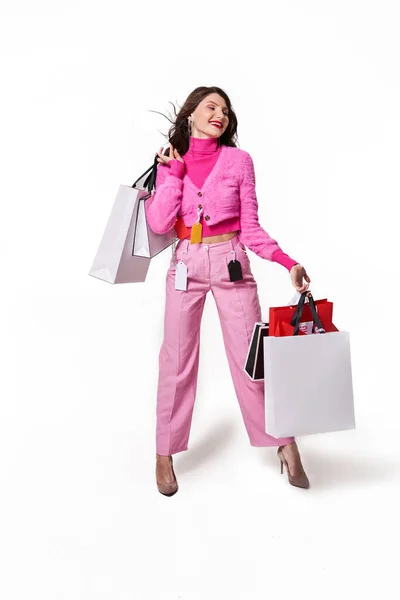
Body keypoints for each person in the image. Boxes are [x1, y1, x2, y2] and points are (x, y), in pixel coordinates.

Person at [145, 86, 311, 496]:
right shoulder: (172, 164)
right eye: (211, 107)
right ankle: (164, 453)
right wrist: (173, 174)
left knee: (252, 359)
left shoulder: (239, 161)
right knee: (177, 361)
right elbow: (159, 222)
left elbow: (251, 226)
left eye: (225, 110)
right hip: (185, 265)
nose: (220, 114)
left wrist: (287, 261)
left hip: (232, 263)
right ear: (191, 115)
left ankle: (284, 443)